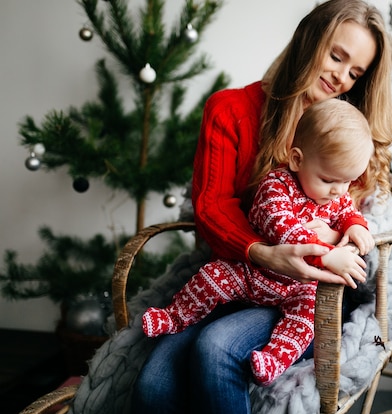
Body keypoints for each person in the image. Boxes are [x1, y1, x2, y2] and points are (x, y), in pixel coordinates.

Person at [132, 0, 392, 414]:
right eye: (336, 56)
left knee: (216, 349)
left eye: (355, 72)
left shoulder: (346, 132)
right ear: (308, 41)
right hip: (239, 272)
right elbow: (211, 207)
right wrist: (265, 251)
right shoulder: (229, 110)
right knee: (153, 386)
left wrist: (332, 238)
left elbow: (348, 215)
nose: (341, 77)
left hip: (305, 291)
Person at [142, 99, 376, 386]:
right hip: (252, 273)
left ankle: (274, 359)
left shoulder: (335, 193)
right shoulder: (276, 187)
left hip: (296, 287)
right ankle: (175, 316)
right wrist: (327, 255)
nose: (338, 191)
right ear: (297, 160)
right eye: (329, 179)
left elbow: (347, 210)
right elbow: (285, 231)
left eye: (348, 182)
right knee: (210, 277)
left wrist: (355, 226)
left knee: (306, 319)